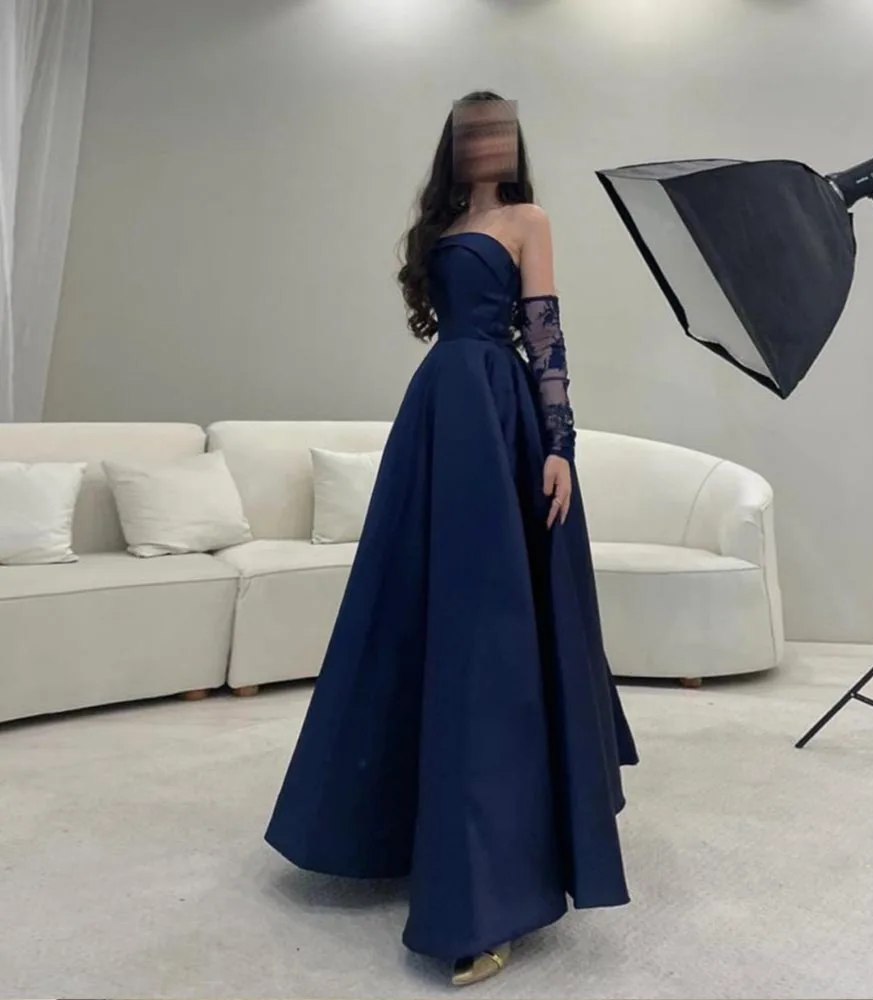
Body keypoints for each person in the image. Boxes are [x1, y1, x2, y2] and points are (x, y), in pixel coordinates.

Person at [264, 90, 638, 987]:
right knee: (409, 618)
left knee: (488, 645)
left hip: (498, 419)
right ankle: (391, 827)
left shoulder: (529, 219)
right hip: (437, 414)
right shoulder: (438, 227)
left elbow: (544, 335)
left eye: (502, 129)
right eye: (476, 131)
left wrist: (560, 444)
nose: (490, 143)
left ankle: (490, 889)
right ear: (455, 145)